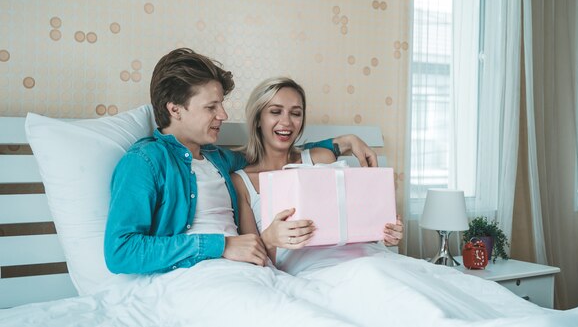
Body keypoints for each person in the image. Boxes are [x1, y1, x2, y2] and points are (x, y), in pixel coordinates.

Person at [104, 48, 376, 274]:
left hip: (250, 273)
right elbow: (121, 252)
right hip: (194, 276)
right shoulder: (144, 162)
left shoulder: (220, 159)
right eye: (211, 107)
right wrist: (222, 245)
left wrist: (341, 144)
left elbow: (277, 153)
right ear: (174, 109)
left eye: (221, 104)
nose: (222, 114)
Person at [231, 77, 404, 275]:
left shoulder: (321, 158)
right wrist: (269, 238)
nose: (286, 122)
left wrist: (386, 232)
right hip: (314, 271)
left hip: (365, 257)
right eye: (275, 112)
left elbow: (352, 225)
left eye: (296, 113)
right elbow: (255, 258)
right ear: (258, 119)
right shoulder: (242, 182)